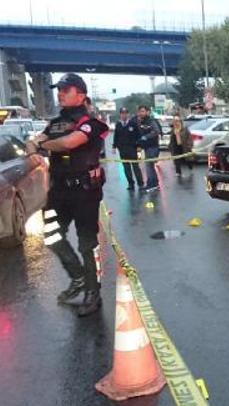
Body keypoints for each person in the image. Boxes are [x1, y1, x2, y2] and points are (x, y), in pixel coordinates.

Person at [26, 73, 108, 316]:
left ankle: (93, 292)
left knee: (87, 244)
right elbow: (32, 143)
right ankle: (78, 276)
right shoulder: (54, 123)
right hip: (58, 192)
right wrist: (37, 144)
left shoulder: (92, 123)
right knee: (51, 235)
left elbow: (70, 143)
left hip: (85, 192)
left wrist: (41, 145)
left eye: (66, 90)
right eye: (59, 90)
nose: (60, 93)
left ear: (81, 95)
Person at [112, 107, 144, 190]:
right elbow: (116, 136)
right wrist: (114, 147)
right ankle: (131, 184)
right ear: (120, 114)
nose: (124, 115)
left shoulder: (133, 123)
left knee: (136, 167)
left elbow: (139, 135)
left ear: (128, 114)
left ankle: (140, 184)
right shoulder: (118, 124)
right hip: (123, 150)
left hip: (133, 149)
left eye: (125, 113)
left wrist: (139, 147)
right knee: (126, 168)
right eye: (122, 113)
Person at [135, 105, 162, 192]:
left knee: (149, 166)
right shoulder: (141, 121)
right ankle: (153, 183)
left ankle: (152, 184)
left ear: (147, 112)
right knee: (149, 166)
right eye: (140, 111)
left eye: (143, 111)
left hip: (153, 147)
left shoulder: (151, 121)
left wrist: (146, 137)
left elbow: (156, 131)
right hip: (147, 147)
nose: (141, 113)